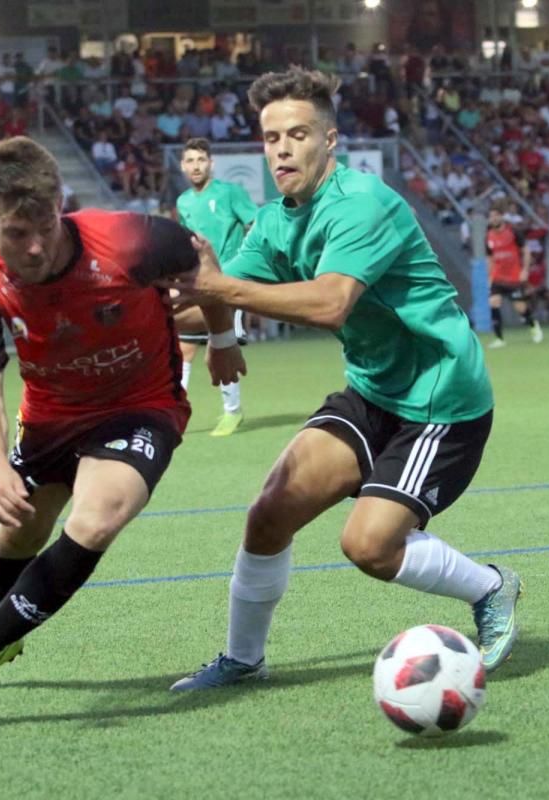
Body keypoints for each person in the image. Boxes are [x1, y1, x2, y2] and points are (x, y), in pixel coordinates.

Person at [165, 68, 521, 692]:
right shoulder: (277, 220)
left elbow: (330, 303)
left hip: (440, 400)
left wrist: (218, 292)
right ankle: (243, 660)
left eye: (297, 134)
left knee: (369, 547)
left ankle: (491, 587)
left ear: (330, 140)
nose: (281, 149)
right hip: (373, 390)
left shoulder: (363, 202)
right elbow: (211, 297)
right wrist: (141, 308)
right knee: (269, 512)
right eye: (270, 137)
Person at [0, 136, 244, 707]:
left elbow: (204, 272)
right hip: (50, 417)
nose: (36, 245)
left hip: (142, 404)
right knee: (19, 530)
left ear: (61, 202)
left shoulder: (132, 238)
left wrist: (221, 340)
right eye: (16, 233)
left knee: (96, 519)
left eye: (45, 225)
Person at [175, 137, 257, 436]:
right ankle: (175, 412)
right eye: (190, 161)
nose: (196, 166)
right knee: (182, 348)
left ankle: (232, 412)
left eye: (201, 160)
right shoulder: (183, 201)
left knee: (222, 343)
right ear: (183, 166)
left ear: (211, 163)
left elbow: (255, 223)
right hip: (197, 281)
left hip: (226, 281)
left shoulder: (230, 193)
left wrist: (244, 264)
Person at [485, 207, 541, 348]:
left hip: (513, 277)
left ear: (501, 217)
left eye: (496, 216)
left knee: (520, 307)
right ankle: (499, 338)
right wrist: (489, 276)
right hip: (497, 277)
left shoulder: (513, 232)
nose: (493, 219)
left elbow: (526, 251)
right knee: (494, 303)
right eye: (491, 217)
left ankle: (534, 325)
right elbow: (489, 258)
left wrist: (525, 270)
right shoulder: (489, 235)